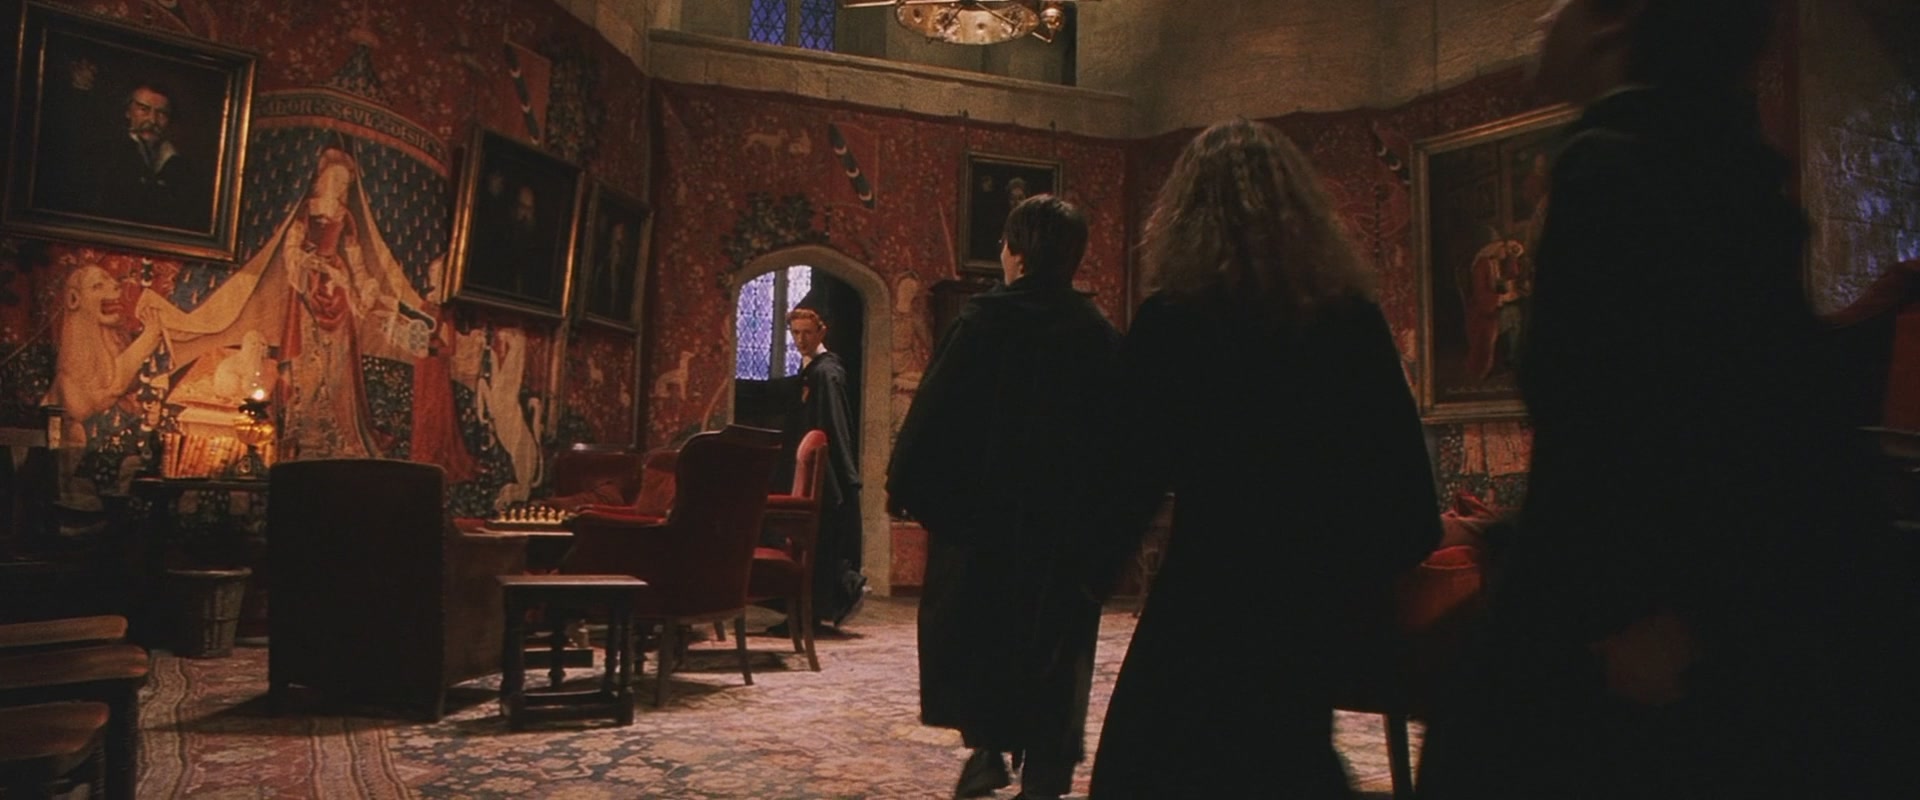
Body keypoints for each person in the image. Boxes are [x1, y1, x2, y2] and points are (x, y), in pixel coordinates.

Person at [1414, 2, 1919, 798]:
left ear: (1617, 25)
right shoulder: (1712, 161)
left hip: (1638, 621)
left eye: (1567, 2)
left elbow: (1645, 428)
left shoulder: (1615, 169)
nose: (1545, 17)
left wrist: (1654, 614)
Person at [1083, 118, 1442, 798]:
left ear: (1186, 214)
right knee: (1285, 760)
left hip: (1205, 594)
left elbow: (1122, 479)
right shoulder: (1349, 322)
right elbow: (1407, 502)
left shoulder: (1175, 321)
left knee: (1154, 764)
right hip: (1308, 605)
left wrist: (1082, 581)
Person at [887, 195, 1120, 800]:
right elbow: (1119, 441)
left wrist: (907, 488)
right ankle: (1044, 772)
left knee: (980, 638)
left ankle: (988, 747)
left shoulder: (982, 322)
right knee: (1056, 650)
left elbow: (933, 415)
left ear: (1016, 252)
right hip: (1064, 532)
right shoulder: (1096, 333)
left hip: (982, 523)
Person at [775, 306, 867, 631]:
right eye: (795, 333)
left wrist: (842, 478)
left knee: (821, 543)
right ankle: (801, 614)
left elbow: (834, 428)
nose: (801, 340)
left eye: (807, 333)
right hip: (811, 471)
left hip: (825, 475)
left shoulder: (826, 373)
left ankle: (813, 613)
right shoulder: (811, 369)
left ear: (821, 333)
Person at [85, 83, 209, 230]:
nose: (152, 120)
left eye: (161, 113)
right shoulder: (106, 153)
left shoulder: (181, 167)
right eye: (144, 109)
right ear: (128, 112)